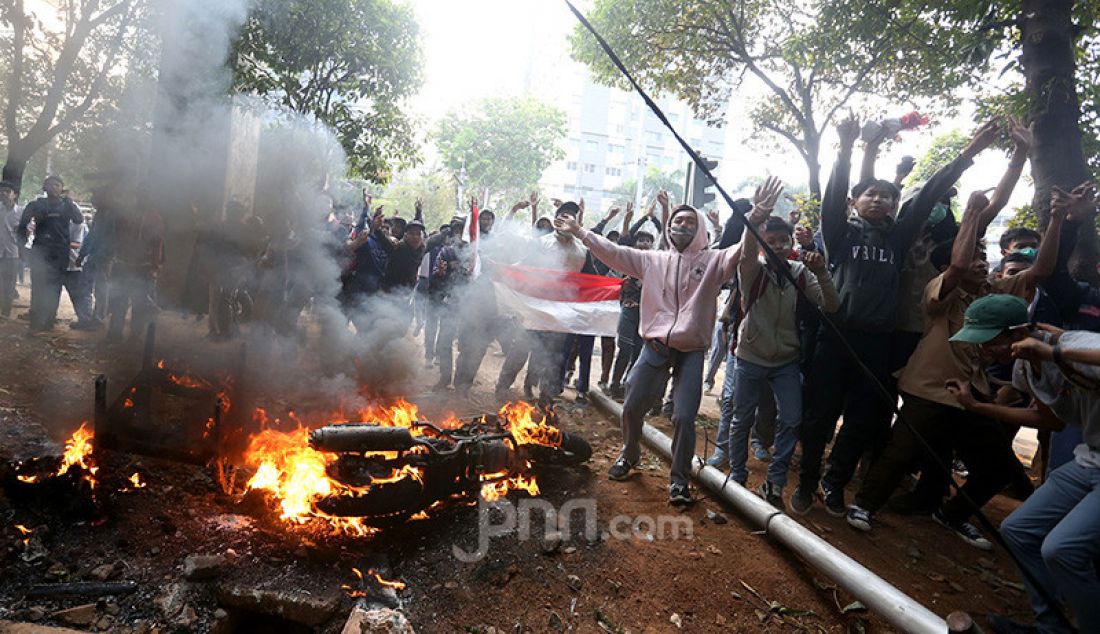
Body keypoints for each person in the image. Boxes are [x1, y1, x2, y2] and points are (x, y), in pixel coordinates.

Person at [792, 116, 1000, 516]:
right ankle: (806, 480)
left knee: (861, 417)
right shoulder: (839, 233)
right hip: (835, 336)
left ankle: (834, 483)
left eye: (886, 197)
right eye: (870, 194)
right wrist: (847, 147)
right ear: (855, 203)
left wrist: (968, 154)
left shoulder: (899, 237)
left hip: (878, 342)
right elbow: (834, 194)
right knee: (821, 413)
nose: (878, 200)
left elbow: (930, 194)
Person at [845, 185, 1061, 547]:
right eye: (973, 254)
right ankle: (865, 505)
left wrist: (1055, 217)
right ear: (946, 267)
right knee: (900, 452)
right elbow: (959, 265)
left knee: (997, 467)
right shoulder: (941, 291)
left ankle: (953, 514)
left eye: (983, 255)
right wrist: (973, 213)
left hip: (972, 393)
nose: (980, 261)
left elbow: (1041, 270)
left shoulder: (995, 292)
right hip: (930, 388)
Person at [554, 189, 746, 505]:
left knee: (684, 417)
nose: (680, 226)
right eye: (676, 220)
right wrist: (579, 231)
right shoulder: (651, 260)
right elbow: (612, 251)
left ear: (699, 229)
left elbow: (741, 251)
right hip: (654, 347)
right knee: (630, 407)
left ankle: (679, 481)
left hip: (691, 353)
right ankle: (630, 455)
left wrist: (754, 221)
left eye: (688, 222)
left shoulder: (713, 261)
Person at [942, 304, 1100, 634]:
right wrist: (977, 407)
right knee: (1018, 529)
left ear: (1017, 333)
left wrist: (1054, 351)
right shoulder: (1024, 369)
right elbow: (1050, 421)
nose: (984, 350)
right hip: (1091, 459)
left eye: (989, 342)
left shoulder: (1072, 343)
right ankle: (1051, 626)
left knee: (1062, 548)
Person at [723, 181, 840, 509]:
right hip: (750, 356)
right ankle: (738, 474)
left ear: (791, 243)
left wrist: (823, 272)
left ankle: (774, 482)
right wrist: (756, 215)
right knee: (741, 417)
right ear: (763, 245)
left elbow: (830, 306)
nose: (776, 245)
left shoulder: (801, 272)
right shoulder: (752, 271)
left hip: (786, 360)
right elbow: (745, 252)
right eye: (770, 241)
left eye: (782, 240)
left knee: (790, 419)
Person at [18, 176, 84, 332]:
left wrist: (70, 202)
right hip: (40, 251)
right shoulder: (36, 205)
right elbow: (22, 227)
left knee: (55, 287)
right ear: (44, 188)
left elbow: (79, 220)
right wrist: (21, 247)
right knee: (38, 286)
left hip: (59, 252)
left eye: (57, 185)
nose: (54, 187)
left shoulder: (67, 205)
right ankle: (35, 320)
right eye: (50, 184)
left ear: (62, 188)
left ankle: (49, 320)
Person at [0, 181, 22, 318]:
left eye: (7, 191)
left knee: (9, 285)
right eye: (1, 191)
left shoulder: (21, 212)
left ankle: (5, 312)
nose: (3, 193)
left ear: (15, 195)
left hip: (12, 254)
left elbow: (27, 233)